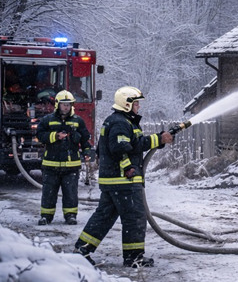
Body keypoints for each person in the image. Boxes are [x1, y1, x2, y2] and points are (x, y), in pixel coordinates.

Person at [74, 86, 173, 268]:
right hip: (123, 181)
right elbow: (120, 148)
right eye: (135, 103)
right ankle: (134, 257)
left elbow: (133, 144)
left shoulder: (120, 121)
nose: (138, 107)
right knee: (134, 218)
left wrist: (158, 140)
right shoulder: (120, 123)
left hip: (114, 181)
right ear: (126, 104)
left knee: (103, 217)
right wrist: (128, 166)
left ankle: (82, 250)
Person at [36, 90, 92, 226]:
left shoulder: (78, 121)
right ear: (57, 105)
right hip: (51, 164)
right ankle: (46, 217)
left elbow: (85, 139)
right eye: (63, 104)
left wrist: (87, 152)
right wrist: (54, 136)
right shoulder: (47, 120)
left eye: (68, 105)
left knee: (71, 193)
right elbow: (40, 136)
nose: (66, 107)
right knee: (49, 193)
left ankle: (71, 216)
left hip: (71, 165)